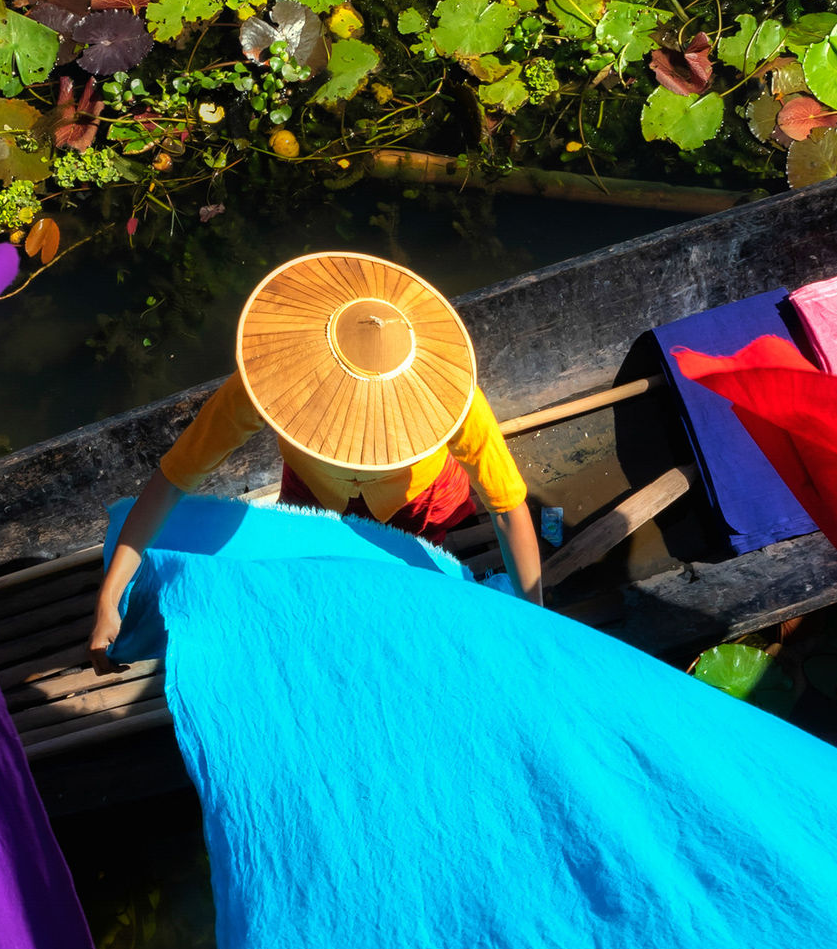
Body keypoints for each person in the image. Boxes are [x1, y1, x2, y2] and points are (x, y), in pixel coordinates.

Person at [89, 251, 542, 660]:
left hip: (418, 502)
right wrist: (111, 595)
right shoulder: (267, 383)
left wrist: (537, 619)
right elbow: (173, 480)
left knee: (404, 584)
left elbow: (506, 509)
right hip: (311, 493)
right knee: (319, 579)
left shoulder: (454, 399)